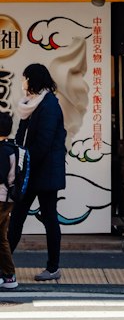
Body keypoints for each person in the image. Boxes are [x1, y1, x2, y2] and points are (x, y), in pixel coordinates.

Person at [7, 62, 66, 283]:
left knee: (49, 218)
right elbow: (23, 136)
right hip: (32, 171)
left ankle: (53, 268)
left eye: (25, 78)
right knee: (18, 218)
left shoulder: (49, 105)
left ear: (34, 80)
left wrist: (24, 163)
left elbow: (43, 142)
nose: (23, 82)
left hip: (44, 173)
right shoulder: (32, 104)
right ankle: (4, 264)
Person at [0, 112, 18, 290]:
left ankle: (7, 274)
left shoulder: (2, 151)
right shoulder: (10, 148)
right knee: (2, 238)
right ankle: (8, 276)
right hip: (7, 198)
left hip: (0, 198)